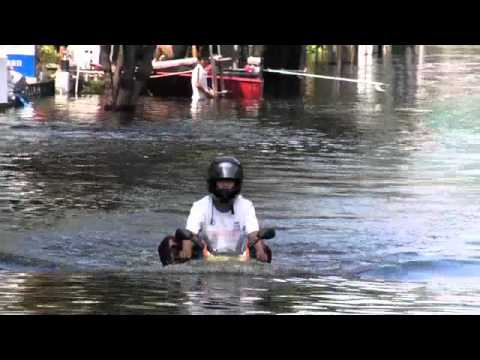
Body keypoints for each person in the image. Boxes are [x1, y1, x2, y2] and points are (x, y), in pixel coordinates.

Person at [158, 156, 272, 266]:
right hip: (206, 254)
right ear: (214, 183)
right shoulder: (200, 205)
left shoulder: (246, 205)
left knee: (264, 249)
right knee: (168, 243)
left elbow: (253, 233)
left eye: (229, 181)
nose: (225, 185)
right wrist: (186, 252)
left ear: (236, 183)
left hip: (239, 256)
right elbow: (191, 232)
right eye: (221, 181)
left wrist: (260, 250)